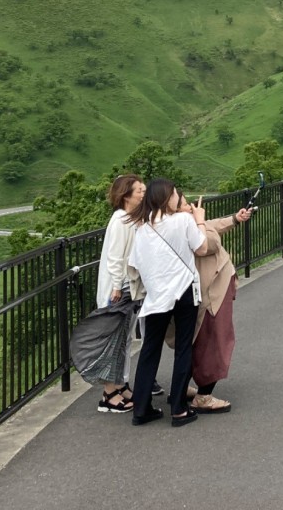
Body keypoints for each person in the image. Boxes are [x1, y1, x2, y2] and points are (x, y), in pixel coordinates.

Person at [127, 177, 208, 427]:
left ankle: (141, 409)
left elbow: (136, 265)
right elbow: (202, 248)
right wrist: (200, 220)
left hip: (156, 297)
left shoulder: (142, 229)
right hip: (183, 291)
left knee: (150, 350)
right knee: (183, 348)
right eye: (174, 194)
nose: (177, 197)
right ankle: (179, 410)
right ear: (166, 198)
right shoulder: (183, 220)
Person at [177, 193, 252, 413]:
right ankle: (203, 395)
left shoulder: (190, 223)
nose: (190, 207)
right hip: (211, 293)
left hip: (214, 288)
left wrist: (234, 219)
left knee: (202, 338)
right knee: (215, 338)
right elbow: (207, 243)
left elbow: (210, 226)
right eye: (183, 205)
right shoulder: (183, 227)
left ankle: (182, 387)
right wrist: (199, 219)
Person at [94, 174, 145, 412]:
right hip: (118, 289)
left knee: (124, 339)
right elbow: (115, 257)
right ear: (126, 195)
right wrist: (115, 286)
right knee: (113, 341)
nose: (143, 193)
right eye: (139, 190)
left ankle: (120, 384)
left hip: (127, 288)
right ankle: (108, 393)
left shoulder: (132, 219)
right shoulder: (120, 220)